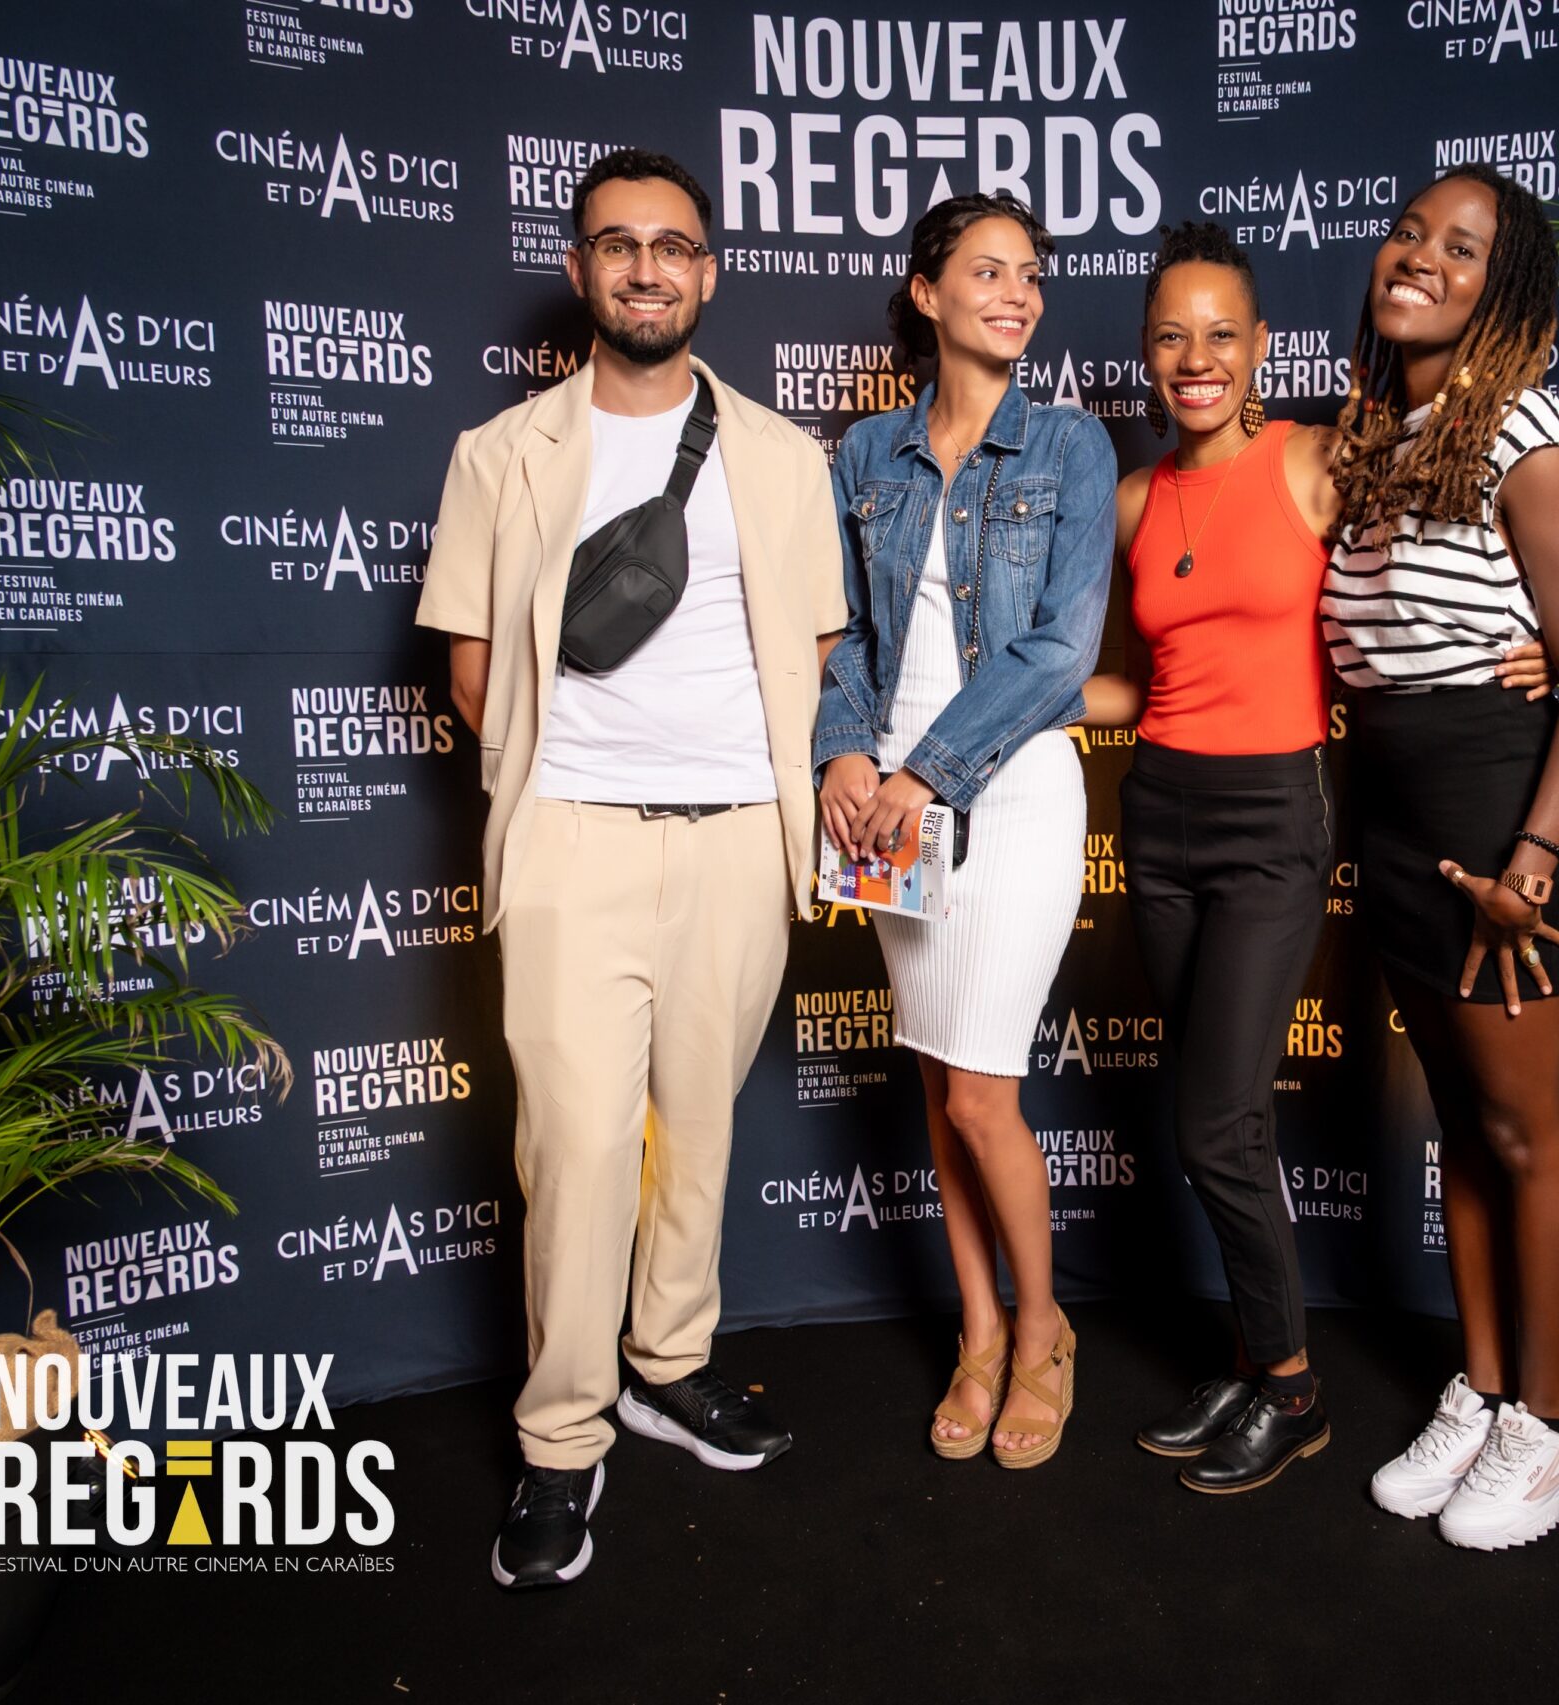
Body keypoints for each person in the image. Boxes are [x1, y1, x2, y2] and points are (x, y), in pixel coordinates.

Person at [415, 149, 847, 1588]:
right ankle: (560, 1436)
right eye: (619, 245)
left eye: (672, 246)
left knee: (696, 1131)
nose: (647, 269)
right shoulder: (501, 452)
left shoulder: (782, 457)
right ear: (582, 270)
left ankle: (669, 1361)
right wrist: (578, 788)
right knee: (580, 1147)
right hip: (573, 842)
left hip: (737, 843)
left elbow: (816, 653)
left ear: (706, 272)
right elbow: (474, 669)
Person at [1078, 222, 1553, 1495]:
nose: (1195, 358)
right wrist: (994, 707)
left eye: (1219, 334)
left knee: (1212, 1119)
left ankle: (1292, 1392)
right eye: (1170, 336)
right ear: (1146, 355)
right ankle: (1251, 1358)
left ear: (1259, 346)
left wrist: (1548, 641)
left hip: (1271, 822)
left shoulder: (1320, 458)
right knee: (1220, 1113)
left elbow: (1465, 533)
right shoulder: (1133, 500)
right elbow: (1137, 684)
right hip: (1157, 817)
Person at [1318, 166, 1559, 1552]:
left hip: (1500, 819)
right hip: (1393, 812)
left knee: (1519, 1128)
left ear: (1504, 294)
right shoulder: (1374, 442)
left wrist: (1534, 860)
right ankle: (1486, 1387)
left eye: (1461, 248)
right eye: (1408, 233)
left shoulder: (1525, 436)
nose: (1420, 257)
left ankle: (1551, 1429)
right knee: (1459, 1120)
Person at [813, 192, 1115, 1469]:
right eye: (987, 271)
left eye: (1030, 274)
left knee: (985, 1088)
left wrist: (927, 773)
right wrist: (844, 748)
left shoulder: (1071, 446)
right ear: (927, 294)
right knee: (942, 1085)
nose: (1017, 293)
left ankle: (1043, 1327)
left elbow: (1060, 653)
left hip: (1010, 789)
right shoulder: (864, 453)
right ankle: (978, 1330)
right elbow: (843, 630)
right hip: (883, 805)